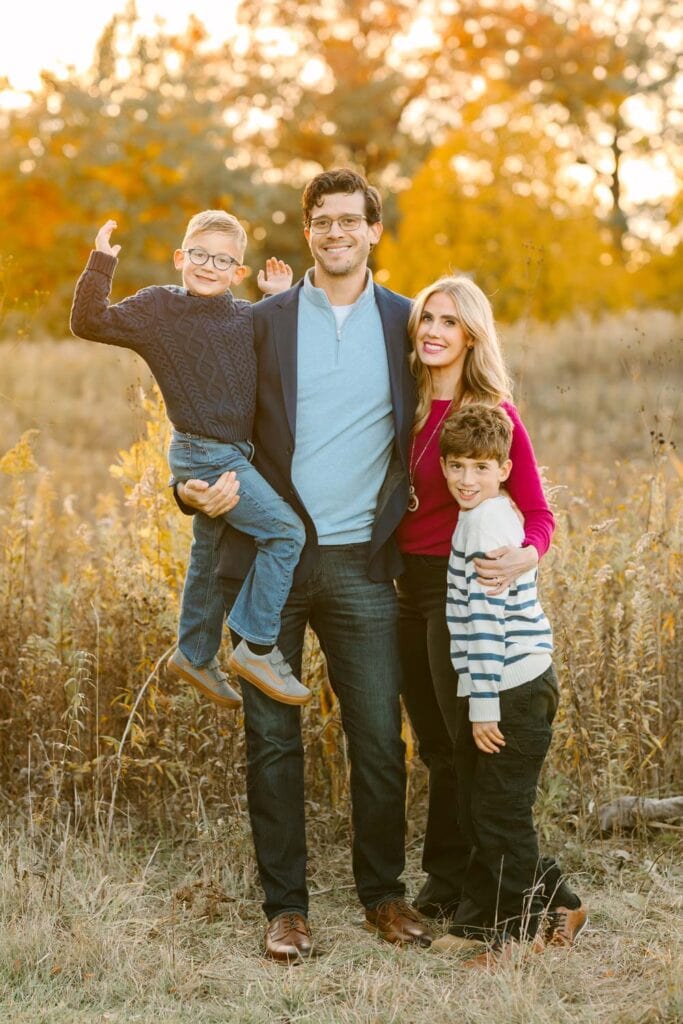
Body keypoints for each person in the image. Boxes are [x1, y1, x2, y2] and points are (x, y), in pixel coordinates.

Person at [176, 168, 435, 961]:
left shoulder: (405, 323)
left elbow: (457, 406)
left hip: (363, 562)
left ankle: (383, 897)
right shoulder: (262, 321)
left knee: (378, 742)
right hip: (269, 568)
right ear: (307, 230)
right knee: (271, 741)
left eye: (349, 220)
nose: (334, 233)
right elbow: (202, 410)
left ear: (373, 230)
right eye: (321, 221)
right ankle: (285, 909)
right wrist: (191, 493)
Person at [70, 211, 311, 709]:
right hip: (201, 451)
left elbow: (278, 356)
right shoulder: (159, 307)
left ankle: (194, 653)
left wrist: (277, 298)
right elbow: (88, 321)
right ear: (181, 257)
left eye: (223, 259)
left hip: (234, 453)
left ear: (237, 272)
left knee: (208, 550)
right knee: (286, 533)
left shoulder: (246, 315)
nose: (208, 266)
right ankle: (257, 646)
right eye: (199, 254)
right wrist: (100, 264)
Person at [395, 275, 556, 920]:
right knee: (435, 744)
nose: (434, 331)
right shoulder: (401, 401)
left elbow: (539, 512)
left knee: (465, 743)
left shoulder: (490, 413)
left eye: (450, 322)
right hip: (401, 583)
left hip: (458, 588)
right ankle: (450, 874)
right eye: (427, 318)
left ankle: (511, 891)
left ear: (471, 335)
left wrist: (528, 553)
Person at [433, 403, 586, 967]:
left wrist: (483, 704)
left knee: (499, 814)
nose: (465, 479)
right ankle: (561, 902)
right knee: (486, 811)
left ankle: (512, 937)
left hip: (513, 689)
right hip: (503, 686)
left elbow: (487, 625)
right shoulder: (481, 515)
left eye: (479, 467)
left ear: (504, 468)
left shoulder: (488, 522)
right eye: (456, 466)